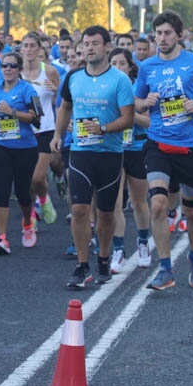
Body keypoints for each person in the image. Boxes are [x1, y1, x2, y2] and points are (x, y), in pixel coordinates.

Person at [134, 11, 193, 291]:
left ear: (179, 35)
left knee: (192, 212)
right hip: (158, 144)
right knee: (159, 205)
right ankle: (165, 268)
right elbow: (136, 103)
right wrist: (144, 101)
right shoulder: (147, 67)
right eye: (158, 34)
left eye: (167, 33)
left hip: (190, 147)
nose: (162, 39)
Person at [51, 27, 134, 287]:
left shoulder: (120, 80)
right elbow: (65, 107)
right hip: (81, 151)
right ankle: (83, 265)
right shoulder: (73, 77)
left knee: (106, 213)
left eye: (95, 43)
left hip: (110, 153)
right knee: (78, 209)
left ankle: (104, 258)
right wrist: (57, 134)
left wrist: (104, 129)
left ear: (107, 47)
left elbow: (128, 118)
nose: (89, 48)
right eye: (85, 44)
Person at [0, 52, 42, 254]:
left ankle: (27, 222)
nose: (8, 69)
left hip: (24, 147)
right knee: (2, 190)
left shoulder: (27, 89)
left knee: (22, 192)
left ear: (19, 69)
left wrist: (13, 112)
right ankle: (2, 238)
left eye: (12, 66)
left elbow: (37, 120)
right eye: (4, 66)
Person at [107, 48, 152, 272]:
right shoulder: (104, 88)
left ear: (130, 66)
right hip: (113, 148)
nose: (117, 67)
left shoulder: (139, 88)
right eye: (113, 63)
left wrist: (129, 116)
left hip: (137, 147)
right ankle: (118, 250)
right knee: (115, 203)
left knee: (138, 201)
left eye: (121, 63)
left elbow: (151, 122)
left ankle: (143, 244)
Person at [19, 33, 61, 229]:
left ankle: (43, 198)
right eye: (25, 45)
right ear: (21, 49)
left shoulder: (50, 71)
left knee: (37, 177)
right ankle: (31, 217)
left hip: (45, 129)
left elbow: (59, 101)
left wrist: (54, 89)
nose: (29, 49)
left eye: (32, 45)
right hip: (23, 130)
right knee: (26, 179)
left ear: (39, 49)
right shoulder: (15, 73)